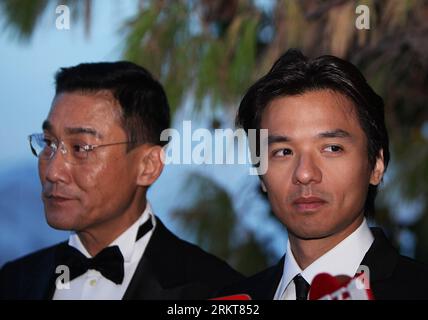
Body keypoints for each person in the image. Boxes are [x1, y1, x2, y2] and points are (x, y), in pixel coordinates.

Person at [0, 61, 242, 300]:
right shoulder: (14, 281)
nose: (53, 172)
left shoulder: (213, 290)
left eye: (81, 148)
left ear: (148, 166)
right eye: (49, 143)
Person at [221, 49, 428, 300]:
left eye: (332, 148)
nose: (305, 173)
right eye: (283, 151)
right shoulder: (231, 299)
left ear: (376, 164)